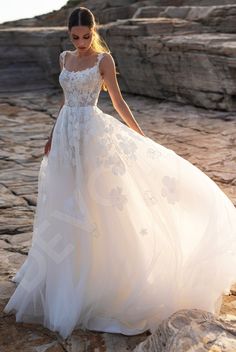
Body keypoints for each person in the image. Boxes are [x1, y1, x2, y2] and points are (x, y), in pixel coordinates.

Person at [3, 6, 236, 340]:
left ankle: (98, 278)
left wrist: (140, 137)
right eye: (75, 37)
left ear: (93, 32)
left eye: (85, 36)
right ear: (68, 35)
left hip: (93, 134)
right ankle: (65, 272)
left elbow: (117, 100)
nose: (81, 42)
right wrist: (52, 135)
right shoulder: (64, 58)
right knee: (67, 199)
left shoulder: (103, 61)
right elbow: (65, 100)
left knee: (93, 205)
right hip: (67, 131)